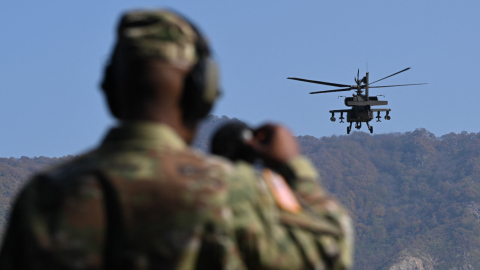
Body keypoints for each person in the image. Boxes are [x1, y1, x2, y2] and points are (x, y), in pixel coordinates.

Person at [0, 9, 353, 270]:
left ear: (109, 88)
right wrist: (293, 168)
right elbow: (331, 252)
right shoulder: (230, 190)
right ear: (203, 92)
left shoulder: (43, 197)